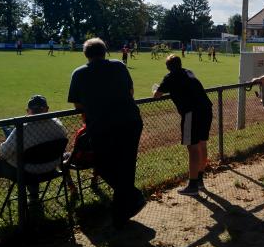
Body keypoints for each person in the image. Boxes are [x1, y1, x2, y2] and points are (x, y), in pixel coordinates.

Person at [68, 38, 145, 227]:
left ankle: (130, 202)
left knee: (102, 164)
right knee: (126, 164)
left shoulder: (79, 73)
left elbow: (78, 105)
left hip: (103, 126)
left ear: (86, 54)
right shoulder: (119, 66)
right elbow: (131, 91)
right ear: (105, 51)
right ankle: (123, 212)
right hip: (130, 121)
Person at [0, 95, 67, 222]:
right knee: (34, 157)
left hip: (26, 173)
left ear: (28, 111)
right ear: (47, 109)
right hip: (51, 169)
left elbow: (3, 153)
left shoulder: (22, 128)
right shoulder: (58, 124)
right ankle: (34, 197)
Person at [153, 55, 213, 196]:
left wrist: (155, 88)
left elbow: (157, 94)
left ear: (168, 67)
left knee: (192, 148)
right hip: (206, 110)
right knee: (202, 144)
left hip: (191, 113)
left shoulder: (170, 77)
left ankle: (192, 186)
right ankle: (199, 180)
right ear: (180, 64)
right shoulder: (189, 72)